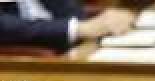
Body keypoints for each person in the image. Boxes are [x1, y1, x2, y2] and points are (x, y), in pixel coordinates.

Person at [0, 0, 135, 51]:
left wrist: (104, 21)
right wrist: (79, 29)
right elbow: (6, 27)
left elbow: (71, 12)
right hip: (34, 66)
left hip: (76, 53)